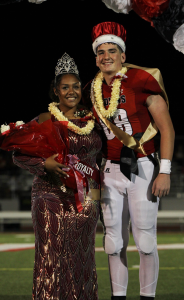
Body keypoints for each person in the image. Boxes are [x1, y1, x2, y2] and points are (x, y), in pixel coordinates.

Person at [83, 22, 175, 300]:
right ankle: (118, 297)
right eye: (100, 52)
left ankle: (148, 297)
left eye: (112, 50)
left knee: (146, 241)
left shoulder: (141, 79)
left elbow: (167, 129)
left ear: (123, 54)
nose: (106, 56)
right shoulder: (92, 89)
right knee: (112, 243)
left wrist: (166, 171)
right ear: (95, 56)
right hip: (109, 170)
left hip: (143, 166)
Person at [13, 53, 102, 300]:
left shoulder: (91, 121)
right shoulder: (44, 119)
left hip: (85, 200)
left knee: (83, 256)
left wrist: (96, 202)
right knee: (51, 256)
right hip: (49, 197)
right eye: (65, 87)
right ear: (56, 90)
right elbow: (18, 155)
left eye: (75, 86)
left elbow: (95, 164)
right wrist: (44, 164)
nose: (71, 91)